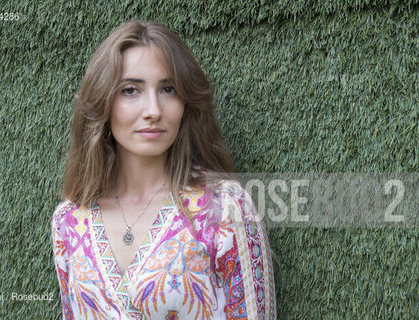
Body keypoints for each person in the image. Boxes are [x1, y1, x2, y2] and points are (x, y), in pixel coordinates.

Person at [51, 20, 276, 319]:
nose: (153, 110)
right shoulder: (68, 221)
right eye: (131, 90)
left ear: (185, 101)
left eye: (168, 89)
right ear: (103, 102)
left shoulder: (225, 208)